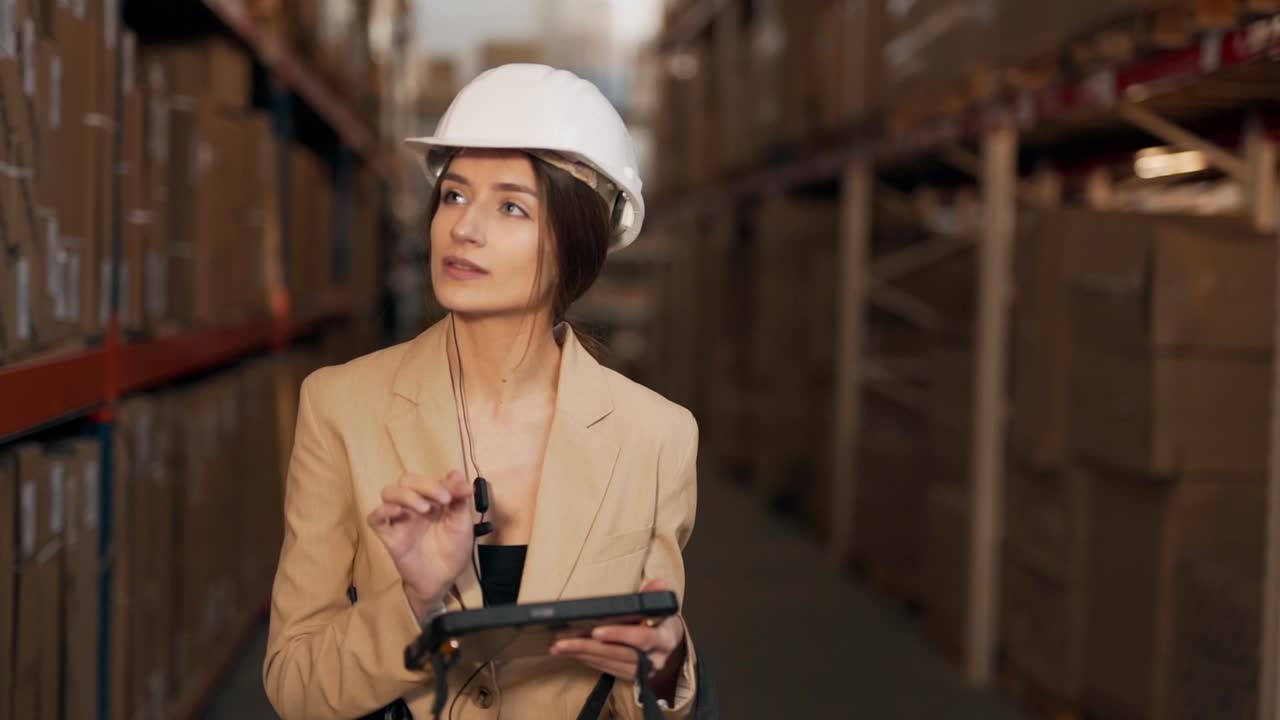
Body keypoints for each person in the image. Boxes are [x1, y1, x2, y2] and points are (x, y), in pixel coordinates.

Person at [263, 64, 702, 720]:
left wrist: (664, 672)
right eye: (455, 195)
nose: (464, 228)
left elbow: (653, 682)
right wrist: (415, 604)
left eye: (512, 206)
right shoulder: (341, 407)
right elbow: (295, 683)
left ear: (576, 240)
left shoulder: (656, 436)